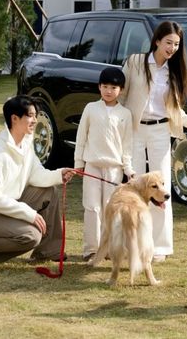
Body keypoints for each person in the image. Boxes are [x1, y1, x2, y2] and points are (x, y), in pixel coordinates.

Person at [120, 20, 187, 260]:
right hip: (135, 130)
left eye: (176, 44)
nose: (172, 48)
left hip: (160, 131)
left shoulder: (174, 72)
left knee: (162, 189)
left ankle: (160, 247)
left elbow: (175, 110)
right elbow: (122, 97)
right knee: (136, 187)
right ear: (157, 41)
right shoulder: (135, 62)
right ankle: (133, 245)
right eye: (168, 42)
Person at [0, 95, 75, 273]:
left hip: (3, 204)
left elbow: (36, 174)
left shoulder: (25, 142)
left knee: (49, 192)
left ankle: (47, 250)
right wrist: (29, 214)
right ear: (14, 118)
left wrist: (59, 174)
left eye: (35, 115)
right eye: (30, 116)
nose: (35, 120)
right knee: (30, 235)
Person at [74, 66, 134, 261]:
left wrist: (128, 169)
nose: (109, 91)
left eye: (113, 87)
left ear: (121, 90)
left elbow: (127, 145)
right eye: (105, 86)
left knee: (111, 209)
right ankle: (91, 250)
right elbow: (81, 136)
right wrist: (78, 163)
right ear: (99, 87)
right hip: (92, 166)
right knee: (92, 207)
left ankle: (109, 249)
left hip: (114, 169)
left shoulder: (125, 114)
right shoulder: (91, 108)